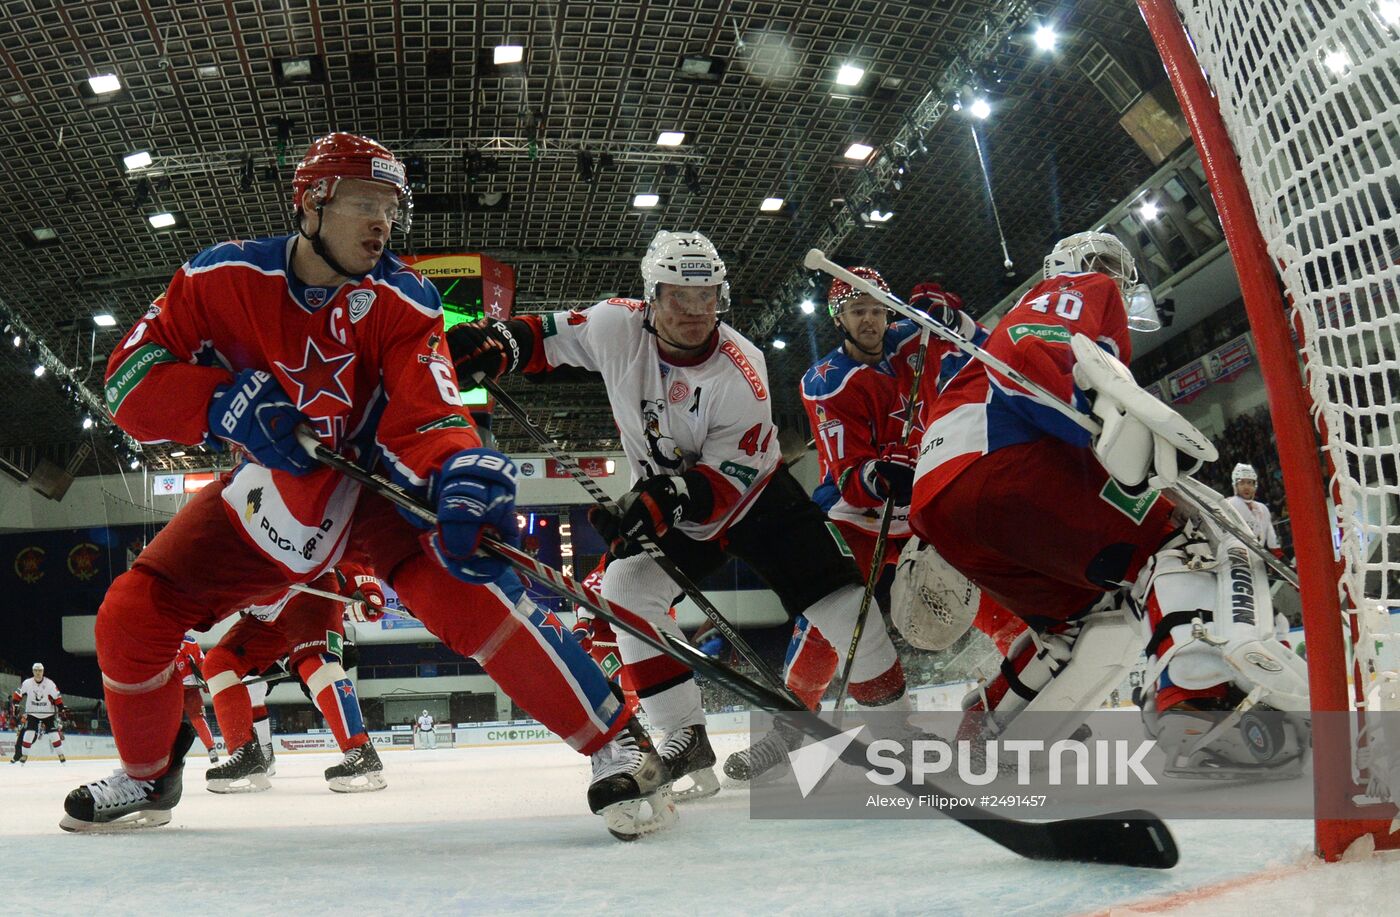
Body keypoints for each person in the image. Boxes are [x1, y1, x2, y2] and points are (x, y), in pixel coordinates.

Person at [61, 132, 669, 839]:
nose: (382, 220)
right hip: (277, 487)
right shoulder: (216, 277)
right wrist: (215, 398)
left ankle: (620, 743)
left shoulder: (404, 296)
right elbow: (128, 379)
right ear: (310, 204)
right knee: (132, 610)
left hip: (379, 487)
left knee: (469, 590)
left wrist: (458, 472)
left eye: (390, 204)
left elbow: (431, 411)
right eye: (362, 201)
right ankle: (146, 774)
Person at [448, 229, 907, 795]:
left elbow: (725, 480)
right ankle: (684, 737)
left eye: (707, 297)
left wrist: (659, 502)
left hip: (757, 500)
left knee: (847, 609)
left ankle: (896, 738)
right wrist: (497, 342)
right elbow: (544, 336)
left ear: (722, 296)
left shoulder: (741, 368)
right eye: (678, 297)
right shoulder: (616, 324)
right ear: (651, 297)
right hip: (674, 503)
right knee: (624, 589)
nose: (695, 312)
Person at [907, 231, 1310, 778]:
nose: (1111, 277)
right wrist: (1098, 424)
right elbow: (1029, 347)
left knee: (1095, 623)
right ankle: (1193, 700)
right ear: (1064, 266)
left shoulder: (1045, 328)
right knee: (1185, 538)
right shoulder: (1082, 287)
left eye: (1115, 268)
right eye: (1099, 263)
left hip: (945, 506)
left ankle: (988, 733)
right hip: (1003, 464)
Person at [720, 272, 992, 782]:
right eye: (856, 310)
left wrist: (947, 309)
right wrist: (877, 475)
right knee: (829, 610)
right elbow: (850, 476)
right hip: (856, 514)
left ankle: (1017, 697)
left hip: (921, 505)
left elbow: (981, 345)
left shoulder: (916, 337)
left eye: (876, 309)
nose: (869, 319)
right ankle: (788, 730)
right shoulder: (826, 380)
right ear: (838, 318)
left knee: (987, 580)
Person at [204, 563, 387, 793]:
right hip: (265, 614)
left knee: (314, 662)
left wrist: (364, 582)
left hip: (306, 589)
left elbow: (332, 534)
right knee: (218, 662)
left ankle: (361, 751)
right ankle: (247, 756)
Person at [173, 635, 219, 763]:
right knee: (170, 723)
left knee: (198, 719)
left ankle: (211, 749)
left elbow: (200, 662)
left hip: (190, 688)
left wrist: (207, 680)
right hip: (170, 690)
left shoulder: (188, 642)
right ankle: (166, 754)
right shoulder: (156, 642)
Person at [1225, 462, 1285, 559]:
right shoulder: (1228, 504)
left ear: (1255, 485)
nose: (1246, 487)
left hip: (1258, 559)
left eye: (1249, 482)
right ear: (1235, 485)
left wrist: (1282, 559)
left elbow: (1272, 541)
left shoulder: (1262, 508)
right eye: (1242, 482)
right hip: (1235, 558)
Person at [11, 662, 66, 764]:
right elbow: (17, 695)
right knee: (29, 732)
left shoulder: (50, 684)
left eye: (40, 670)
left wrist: (61, 709)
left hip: (48, 713)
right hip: (32, 713)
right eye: (35, 670)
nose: (38, 673)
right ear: (33, 671)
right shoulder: (27, 683)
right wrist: (16, 704)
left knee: (54, 734)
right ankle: (24, 755)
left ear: (43, 671)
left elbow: (57, 698)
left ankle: (61, 755)